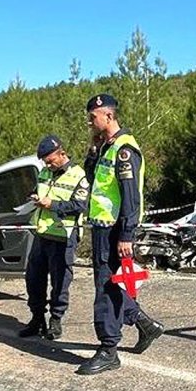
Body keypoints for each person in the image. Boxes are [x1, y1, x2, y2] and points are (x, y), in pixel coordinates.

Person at [76, 94, 164, 375]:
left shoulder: (125, 149)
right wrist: (92, 152)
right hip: (103, 226)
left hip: (115, 229)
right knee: (111, 284)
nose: (90, 122)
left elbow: (130, 197)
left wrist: (127, 234)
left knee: (106, 288)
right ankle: (144, 324)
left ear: (109, 116)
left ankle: (108, 349)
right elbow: (94, 182)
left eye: (93, 117)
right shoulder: (106, 147)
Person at [18, 135, 89, 341]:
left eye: (50, 160)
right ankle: (37, 319)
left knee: (60, 283)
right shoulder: (44, 173)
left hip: (63, 237)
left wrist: (52, 205)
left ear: (62, 153)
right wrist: (33, 197)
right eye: (45, 162)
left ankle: (55, 321)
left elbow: (79, 206)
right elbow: (38, 190)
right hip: (42, 234)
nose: (48, 164)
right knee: (34, 280)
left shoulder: (79, 175)